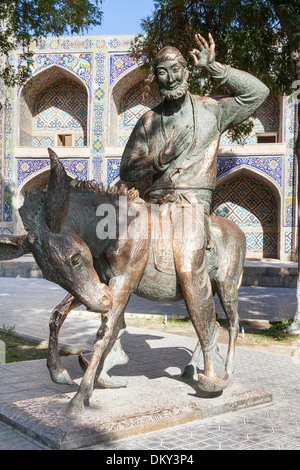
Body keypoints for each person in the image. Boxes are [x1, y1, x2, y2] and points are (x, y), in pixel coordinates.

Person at [120, 33, 269, 391]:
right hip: (152, 205)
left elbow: (257, 94)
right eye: (161, 72)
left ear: (188, 71)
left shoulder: (210, 111)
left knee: (188, 265)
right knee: (110, 253)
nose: (168, 79)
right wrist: (159, 159)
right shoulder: (148, 122)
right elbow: (127, 170)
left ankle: (210, 357)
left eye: (175, 70)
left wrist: (216, 68)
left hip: (190, 205)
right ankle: (110, 348)